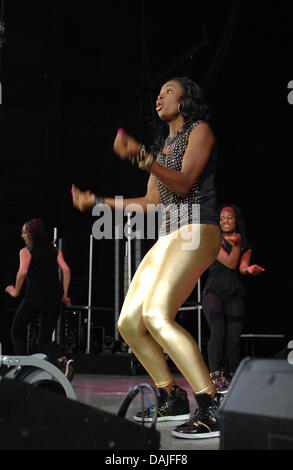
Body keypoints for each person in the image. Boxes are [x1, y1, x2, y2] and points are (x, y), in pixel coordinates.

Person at [72, 77, 223, 439]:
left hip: (198, 228)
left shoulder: (199, 131)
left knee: (157, 314)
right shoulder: (164, 144)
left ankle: (210, 405)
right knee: (128, 322)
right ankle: (170, 396)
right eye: (158, 92)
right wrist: (99, 202)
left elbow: (185, 183)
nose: (159, 96)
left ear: (187, 99)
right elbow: (152, 204)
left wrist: (140, 156)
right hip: (170, 235)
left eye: (168, 91)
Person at [202, 205, 265, 391]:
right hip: (214, 291)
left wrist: (250, 270)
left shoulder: (244, 243)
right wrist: (236, 247)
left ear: (236, 219)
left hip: (234, 292)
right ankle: (215, 375)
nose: (225, 221)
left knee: (234, 338)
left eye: (229, 218)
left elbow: (241, 266)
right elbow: (230, 263)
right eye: (222, 218)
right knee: (218, 331)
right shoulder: (213, 240)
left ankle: (232, 374)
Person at [5, 218, 74, 379]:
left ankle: (24, 367)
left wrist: (15, 291)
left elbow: (22, 272)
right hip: (53, 300)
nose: (22, 235)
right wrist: (64, 294)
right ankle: (64, 360)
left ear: (32, 234)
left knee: (17, 331)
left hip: (34, 298)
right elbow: (66, 270)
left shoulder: (25, 251)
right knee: (45, 341)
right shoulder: (56, 251)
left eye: (24, 232)